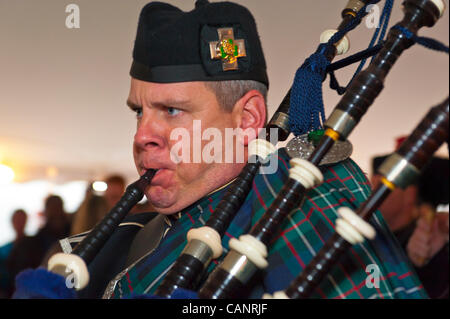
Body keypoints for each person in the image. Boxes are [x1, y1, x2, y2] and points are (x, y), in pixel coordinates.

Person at [29, 0, 426, 299]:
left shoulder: (298, 205)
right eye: (139, 112)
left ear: (248, 118)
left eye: (172, 110)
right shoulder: (116, 240)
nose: (142, 135)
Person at [372, 152, 449, 299]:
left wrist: (426, 262)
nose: (370, 190)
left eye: (380, 184)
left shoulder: (429, 244)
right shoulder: (367, 240)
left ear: (409, 195)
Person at [0, 209, 27, 298]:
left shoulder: (35, 244)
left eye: (21, 219)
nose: (19, 223)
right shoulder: (3, 250)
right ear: (12, 222)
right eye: (17, 220)